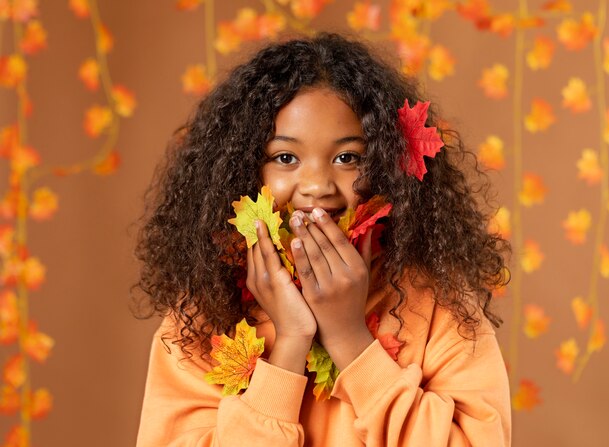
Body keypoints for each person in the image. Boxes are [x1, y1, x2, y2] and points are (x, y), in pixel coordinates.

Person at [134, 33, 512, 446]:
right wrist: (291, 342)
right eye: (285, 158)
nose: (316, 186)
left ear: (387, 163)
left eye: (347, 158)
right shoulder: (201, 314)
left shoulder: (439, 303)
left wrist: (350, 337)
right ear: (243, 170)